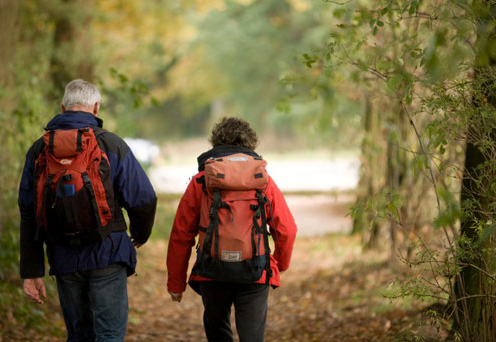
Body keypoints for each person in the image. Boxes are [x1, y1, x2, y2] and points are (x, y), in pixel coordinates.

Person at [19, 79, 157, 341]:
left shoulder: (39, 149)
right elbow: (144, 198)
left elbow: (28, 213)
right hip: (108, 251)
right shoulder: (111, 144)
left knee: (78, 334)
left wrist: (31, 271)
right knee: (109, 334)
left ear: (63, 107)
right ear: (96, 107)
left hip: (63, 257)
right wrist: (140, 234)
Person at [166, 117, 297, 342]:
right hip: (255, 270)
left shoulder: (201, 181)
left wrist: (176, 283)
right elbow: (286, 229)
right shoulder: (263, 181)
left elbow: (181, 235)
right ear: (250, 144)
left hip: (212, 270)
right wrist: (278, 264)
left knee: (218, 332)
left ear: (216, 142)